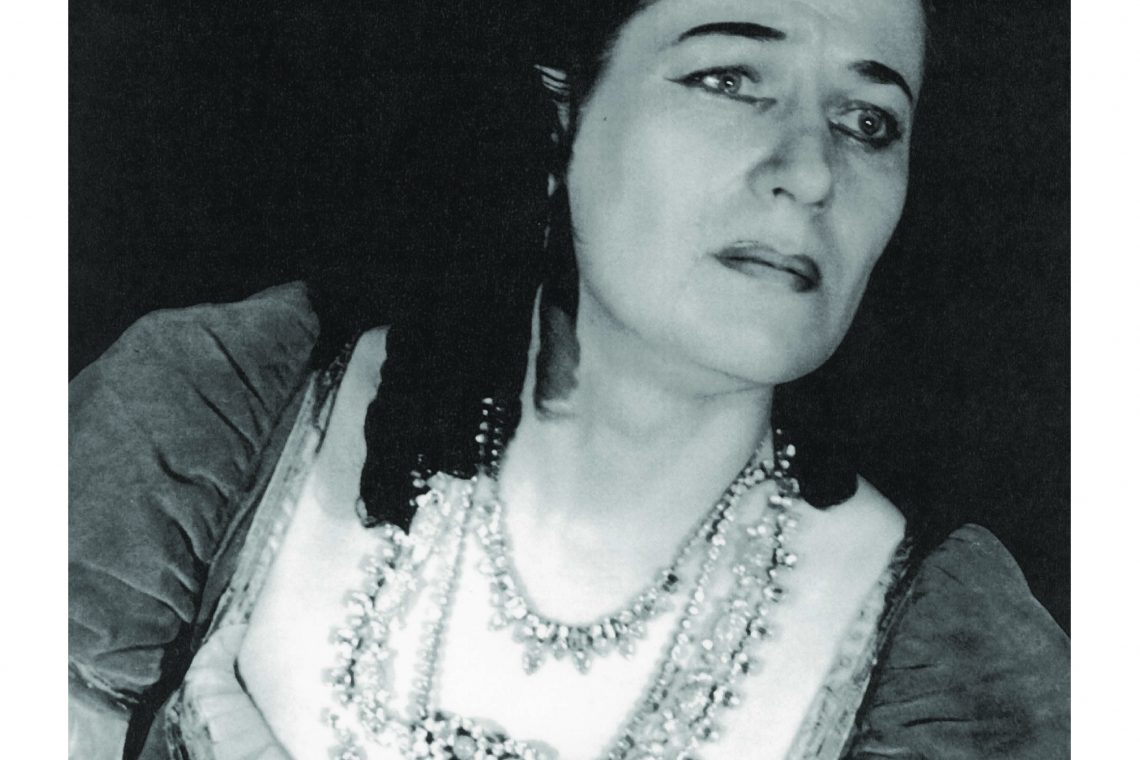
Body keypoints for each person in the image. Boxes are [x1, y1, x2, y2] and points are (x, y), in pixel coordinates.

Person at [68, 0, 1070, 758]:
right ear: (563, 111)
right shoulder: (215, 418)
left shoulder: (949, 652)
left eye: (868, 121)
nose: (811, 170)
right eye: (730, 79)